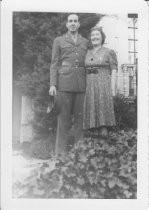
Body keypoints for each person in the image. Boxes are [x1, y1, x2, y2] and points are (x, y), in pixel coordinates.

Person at [49, 14, 88, 157]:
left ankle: (80, 154)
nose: (73, 23)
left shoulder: (85, 42)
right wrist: (53, 84)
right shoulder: (58, 40)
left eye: (75, 21)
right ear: (66, 24)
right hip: (64, 83)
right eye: (70, 21)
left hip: (81, 84)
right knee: (63, 120)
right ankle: (60, 155)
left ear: (79, 24)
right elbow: (54, 63)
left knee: (80, 121)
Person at [83, 26, 118, 138]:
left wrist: (113, 89)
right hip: (90, 84)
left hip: (103, 84)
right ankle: (93, 134)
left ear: (102, 37)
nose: (95, 37)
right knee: (91, 107)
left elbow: (114, 69)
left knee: (103, 107)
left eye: (97, 35)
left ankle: (104, 135)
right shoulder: (87, 53)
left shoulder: (109, 52)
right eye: (93, 35)